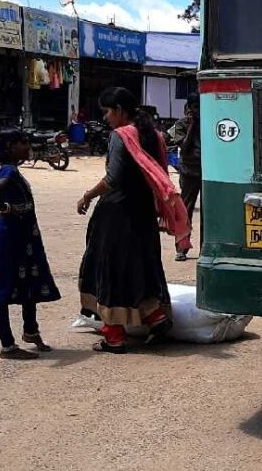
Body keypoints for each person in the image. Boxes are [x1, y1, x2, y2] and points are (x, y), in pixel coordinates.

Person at [76, 87, 189, 353]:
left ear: (119, 110)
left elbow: (113, 178)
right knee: (139, 264)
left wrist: (88, 196)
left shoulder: (120, 136)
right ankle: (155, 317)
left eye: (107, 112)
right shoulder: (154, 135)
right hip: (143, 211)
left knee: (109, 268)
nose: (105, 118)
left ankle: (114, 336)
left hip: (117, 213)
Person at [0, 129, 60, 360]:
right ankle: (7, 346)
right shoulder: (10, 171)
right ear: (11, 147)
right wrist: (7, 210)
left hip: (20, 238)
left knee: (28, 282)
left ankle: (31, 331)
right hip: (9, 238)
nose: (27, 146)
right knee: (2, 288)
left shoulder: (12, 172)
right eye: (23, 143)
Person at [166, 93, 201, 261]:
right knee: (185, 209)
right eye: (195, 108)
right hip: (188, 171)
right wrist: (192, 126)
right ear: (189, 109)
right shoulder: (181, 125)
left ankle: (205, 248)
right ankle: (182, 247)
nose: (197, 111)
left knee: (208, 212)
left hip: (206, 171)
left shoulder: (208, 122)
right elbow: (184, 147)